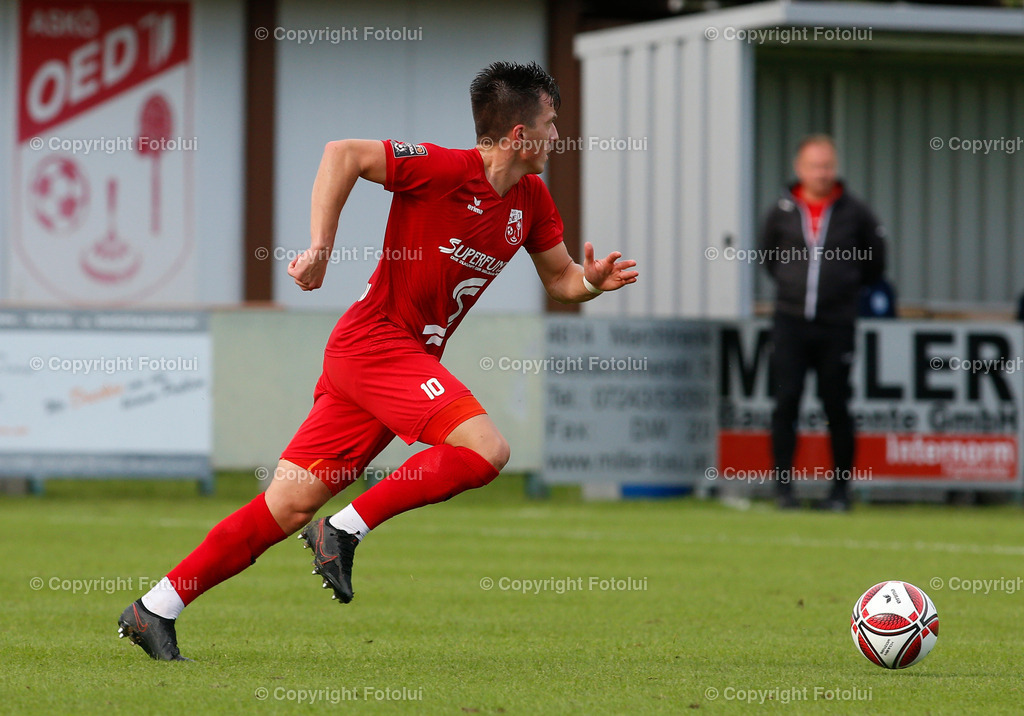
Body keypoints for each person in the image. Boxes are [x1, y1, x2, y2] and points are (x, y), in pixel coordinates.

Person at [117, 61, 638, 660]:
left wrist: (592, 282)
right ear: (519, 135)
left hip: (386, 361)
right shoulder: (445, 169)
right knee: (485, 450)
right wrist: (319, 249)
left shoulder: (532, 198)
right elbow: (343, 154)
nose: (557, 136)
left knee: (285, 505)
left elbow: (562, 280)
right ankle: (342, 529)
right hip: (376, 345)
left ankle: (155, 607)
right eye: (551, 123)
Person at [759, 134, 886, 512]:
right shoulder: (781, 210)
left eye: (828, 165)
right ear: (800, 168)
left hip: (836, 324)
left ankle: (840, 492)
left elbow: (876, 264)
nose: (822, 173)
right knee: (786, 401)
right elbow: (769, 259)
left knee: (837, 406)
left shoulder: (855, 212)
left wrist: (842, 293)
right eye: (815, 166)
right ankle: (784, 490)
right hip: (790, 321)